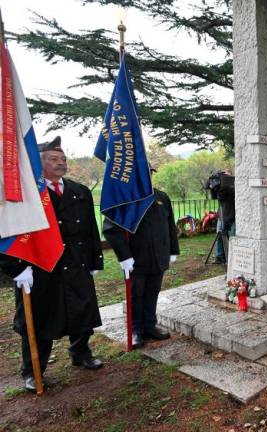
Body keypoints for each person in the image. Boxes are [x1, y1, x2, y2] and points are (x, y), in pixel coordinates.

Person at [1, 137, 104, 392]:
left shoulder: (79, 191)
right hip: (41, 270)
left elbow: (91, 230)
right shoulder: (26, 196)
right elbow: (8, 233)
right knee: (39, 321)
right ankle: (32, 370)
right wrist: (17, 268)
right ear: (39, 163)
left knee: (82, 313)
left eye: (63, 159)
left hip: (76, 264)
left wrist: (94, 260)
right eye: (53, 159)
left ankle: (81, 352)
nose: (61, 163)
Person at [103, 166, 180, 348]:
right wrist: (124, 256)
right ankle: (136, 330)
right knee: (136, 295)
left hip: (158, 256)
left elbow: (170, 226)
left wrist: (172, 250)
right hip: (136, 258)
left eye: (150, 173)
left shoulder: (162, 197)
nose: (147, 176)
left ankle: (149, 325)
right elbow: (111, 229)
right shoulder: (126, 199)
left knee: (153, 292)